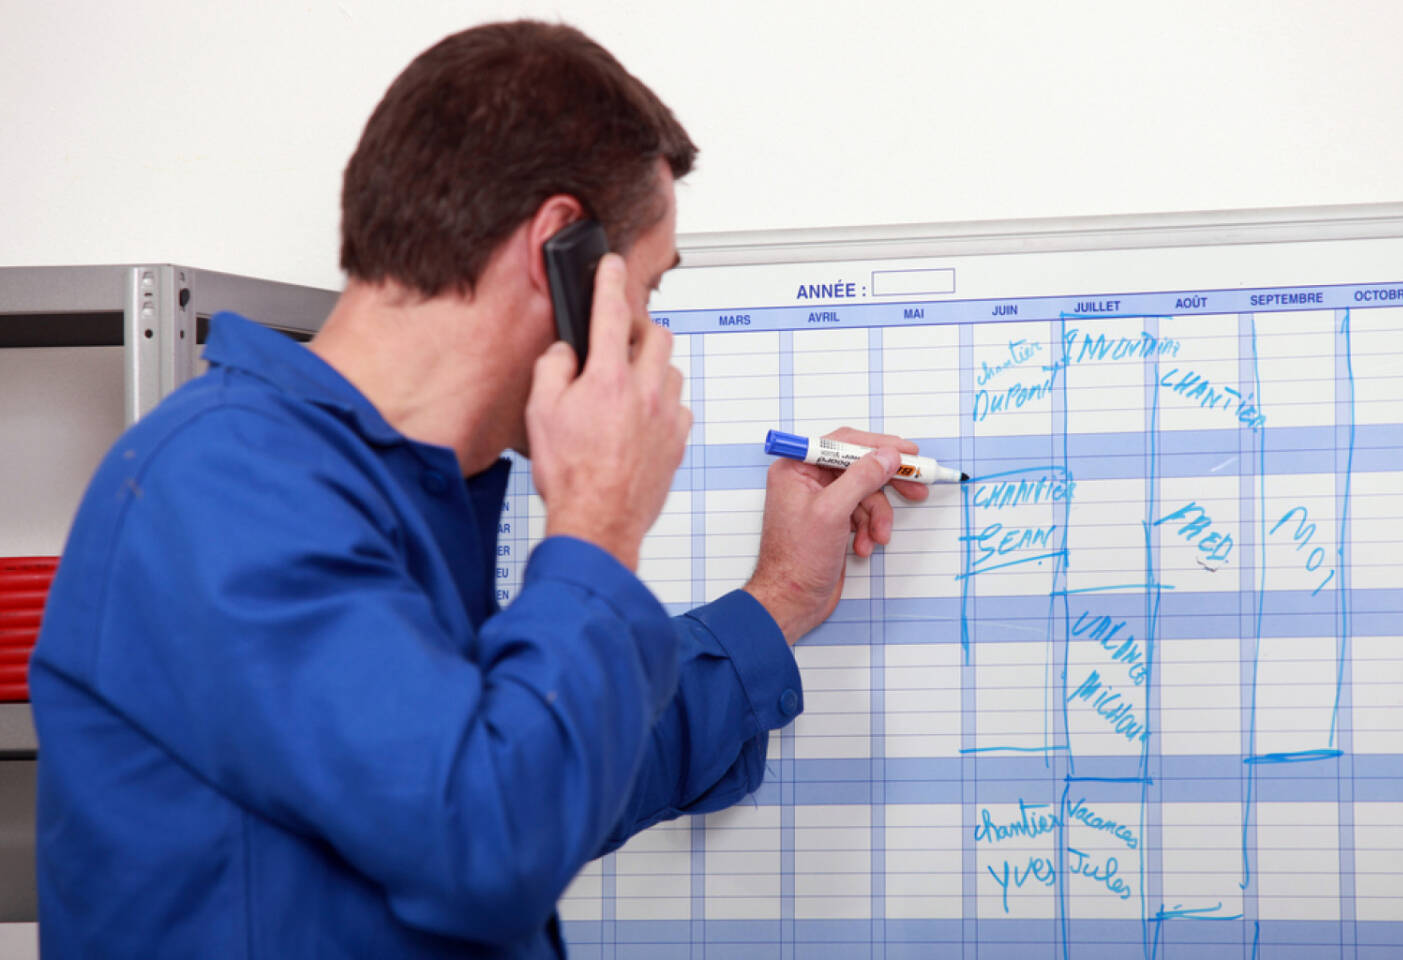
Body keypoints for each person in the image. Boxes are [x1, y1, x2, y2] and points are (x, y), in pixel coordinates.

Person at [30, 19, 928, 958]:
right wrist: (599, 523)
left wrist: (778, 599)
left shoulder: (385, 489)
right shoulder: (226, 488)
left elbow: (546, 760)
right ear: (559, 254)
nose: (651, 335)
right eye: (647, 290)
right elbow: (493, 836)